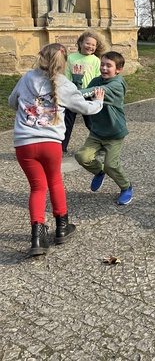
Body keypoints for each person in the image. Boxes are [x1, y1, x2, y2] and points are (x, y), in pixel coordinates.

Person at [8, 43, 104, 256]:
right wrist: (98, 102)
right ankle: (62, 227)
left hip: (24, 144)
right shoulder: (64, 84)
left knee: (37, 188)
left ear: (40, 57)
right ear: (64, 62)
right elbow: (85, 108)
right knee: (55, 182)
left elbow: (12, 101)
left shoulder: (26, 78)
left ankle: (38, 237)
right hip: (50, 143)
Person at [75, 51, 133, 205]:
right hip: (97, 132)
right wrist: (77, 82)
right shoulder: (97, 80)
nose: (104, 68)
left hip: (114, 133)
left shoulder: (117, 84)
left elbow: (93, 92)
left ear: (119, 69)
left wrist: (68, 93)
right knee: (82, 157)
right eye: (102, 64)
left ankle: (126, 187)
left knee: (111, 165)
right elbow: (82, 98)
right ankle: (99, 171)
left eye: (109, 65)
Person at [62, 30, 107, 153]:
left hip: (89, 94)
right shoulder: (71, 58)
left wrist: (95, 92)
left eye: (93, 45)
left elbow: (98, 77)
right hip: (73, 94)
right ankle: (62, 147)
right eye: (88, 43)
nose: (90, 47)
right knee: (68, 122)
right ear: (81, 43)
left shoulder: (96, 60)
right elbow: (67, 77)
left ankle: (101, 145)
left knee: (91, 122)